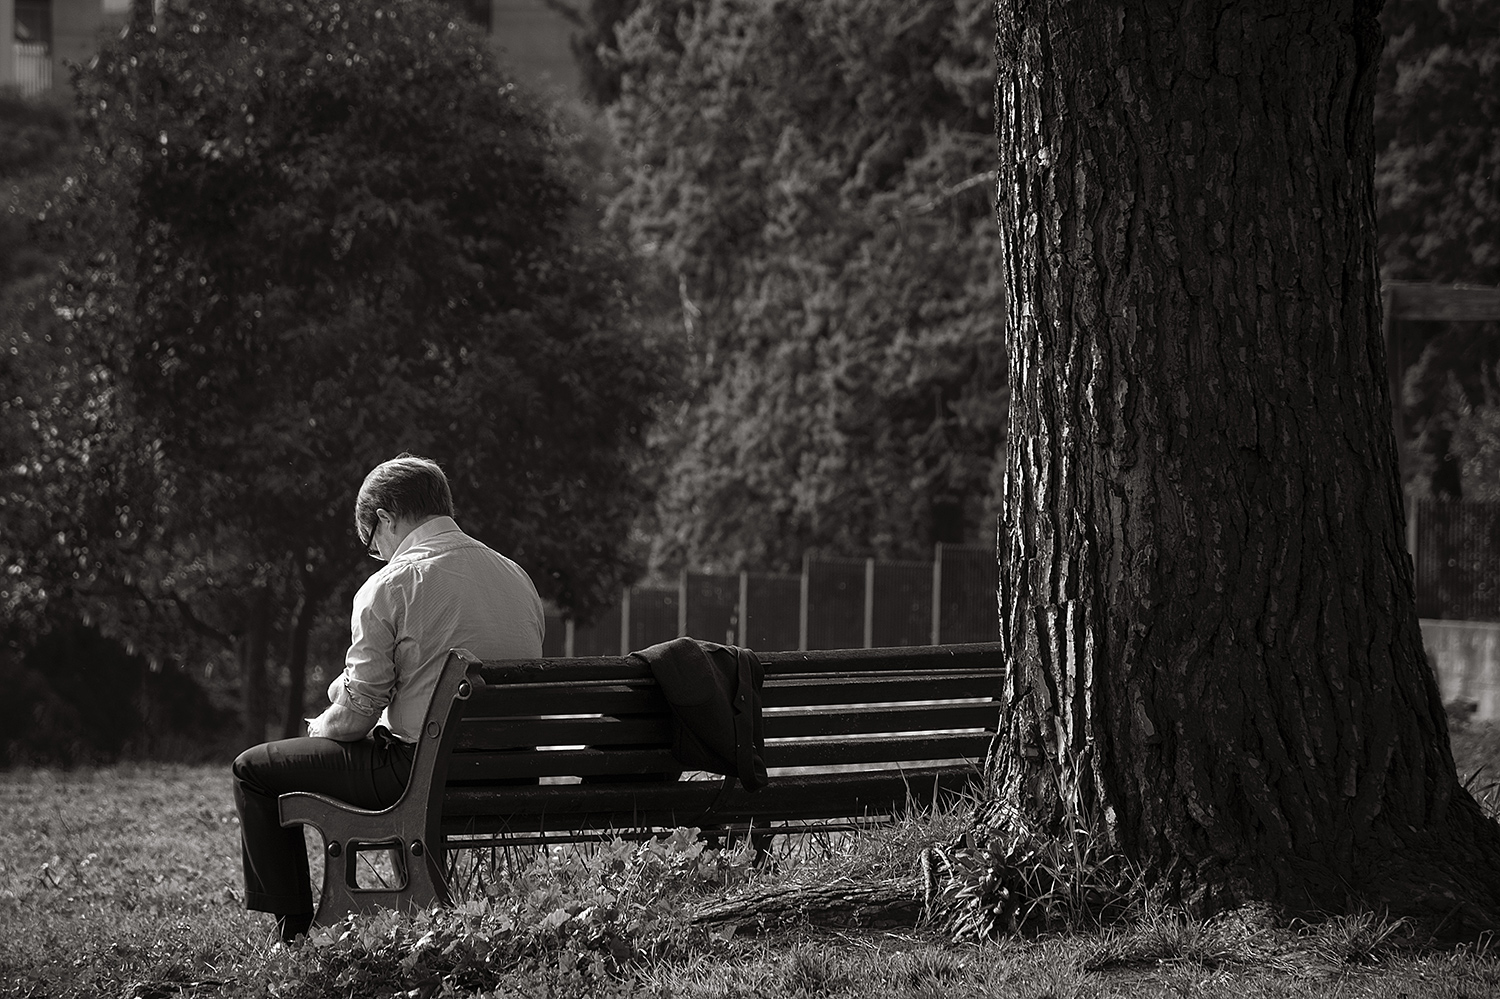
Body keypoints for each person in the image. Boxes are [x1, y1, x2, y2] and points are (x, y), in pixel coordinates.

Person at [232, 453, 545, 943]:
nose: (378, 554)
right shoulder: (516, 577)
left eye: (372, 544)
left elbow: (355, 721)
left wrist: (322, 726)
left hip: (424, 773)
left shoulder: (391, 585)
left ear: (385, 518)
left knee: (254, 768)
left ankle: (291, 929)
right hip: (514, 770)